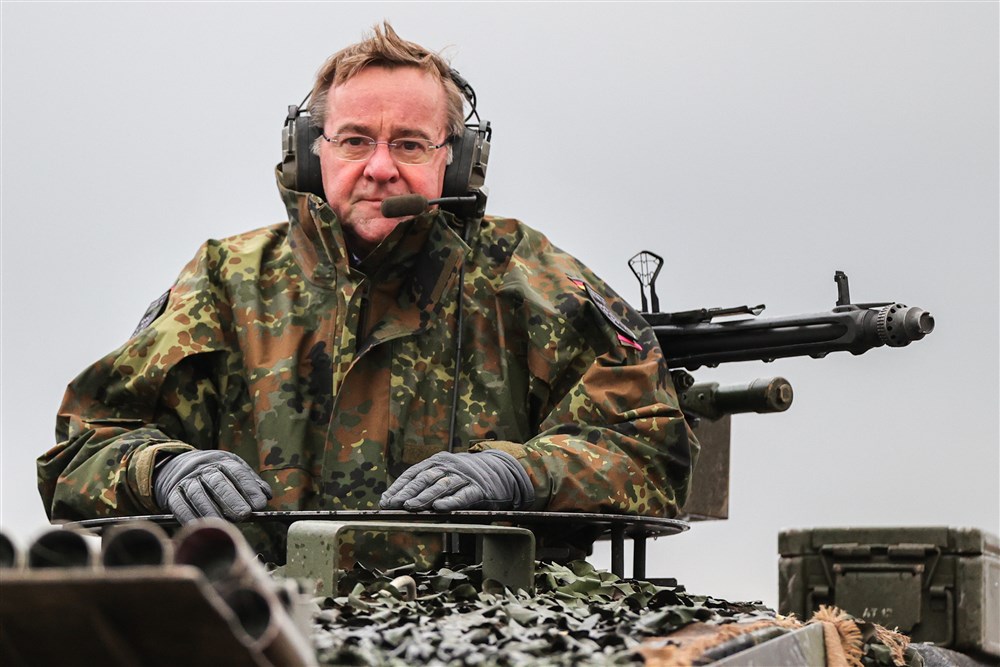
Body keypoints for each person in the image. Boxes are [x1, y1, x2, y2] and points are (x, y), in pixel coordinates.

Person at [37, 23, 697, 558]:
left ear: (456, 160)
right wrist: (161, 470)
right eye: (355, 140)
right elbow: (81, 449)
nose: (380, 168)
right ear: (311, 151)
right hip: (266, 628)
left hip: (492, 634)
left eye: (410, 144)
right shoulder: (226, 283)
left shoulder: (529, 282)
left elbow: (653, 451)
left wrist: (519, 474)